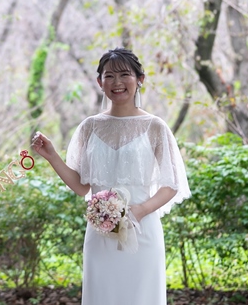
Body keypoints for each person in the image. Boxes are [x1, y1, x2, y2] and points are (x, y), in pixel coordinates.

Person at [32, 48, 189, 305]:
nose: (117, 83)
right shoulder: (89, 126)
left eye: (125, 74)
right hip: (100, 232)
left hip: (142, 232)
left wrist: (138, 211)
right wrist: (51, 156)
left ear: (140, 79)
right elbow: (82, 187)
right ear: (99, 82)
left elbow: (171, 184)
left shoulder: (155, 126)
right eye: (109, 76)